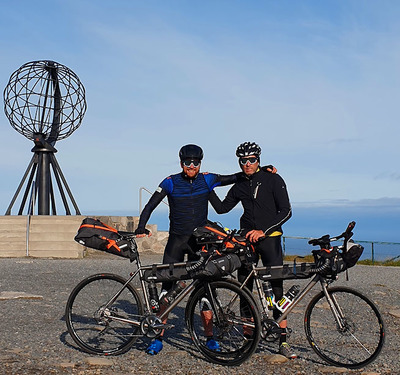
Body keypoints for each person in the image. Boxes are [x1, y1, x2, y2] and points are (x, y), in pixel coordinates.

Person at [135, 144, 276, 355]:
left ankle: (209, 337)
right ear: (181, 162)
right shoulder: (170, 182)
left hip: (199, 243)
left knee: (206, 291)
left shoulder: (207, 179)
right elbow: (150, 205)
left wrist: (261, 170)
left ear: (200, 163)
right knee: (167, 289)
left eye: (195, 162)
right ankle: (157, 337)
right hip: (176, 241)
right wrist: (140, 226)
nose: (191, 166)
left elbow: (235, 177)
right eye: (186, 162)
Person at [208, 141, 296, 359]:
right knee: (244, 290)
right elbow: (221, 208)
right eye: (243, 160)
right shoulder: (239, 184)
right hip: (246, 242)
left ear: (259, 159)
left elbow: (286, 211)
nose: (248, 164)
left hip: (270, 240)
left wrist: (263, 231)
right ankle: (248, 339)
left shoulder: (273, 178)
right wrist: (206, 187)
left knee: (277, 291)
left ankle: (283, 341)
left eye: (252, 160)